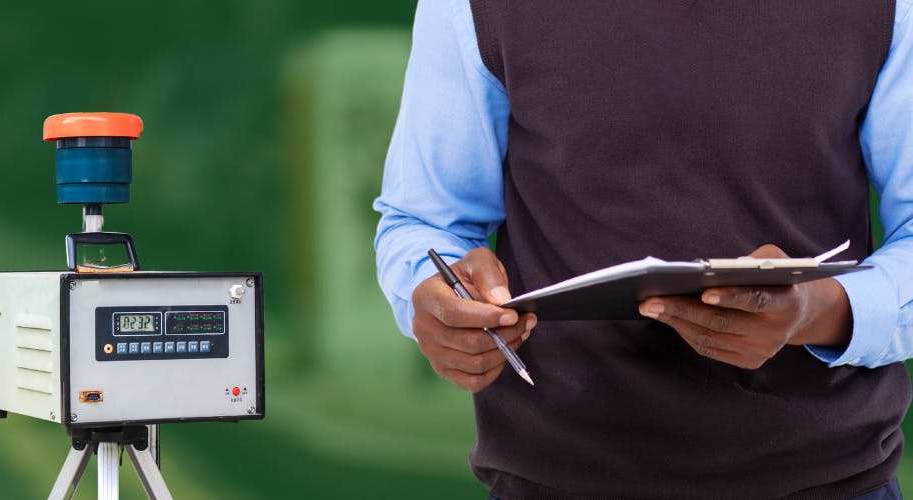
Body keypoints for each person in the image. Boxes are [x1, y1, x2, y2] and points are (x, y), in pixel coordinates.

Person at [373, 1, 913, 498]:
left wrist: (820, 312)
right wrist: (439, 298)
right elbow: (425, 219)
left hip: (831, 478)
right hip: (551, 477)